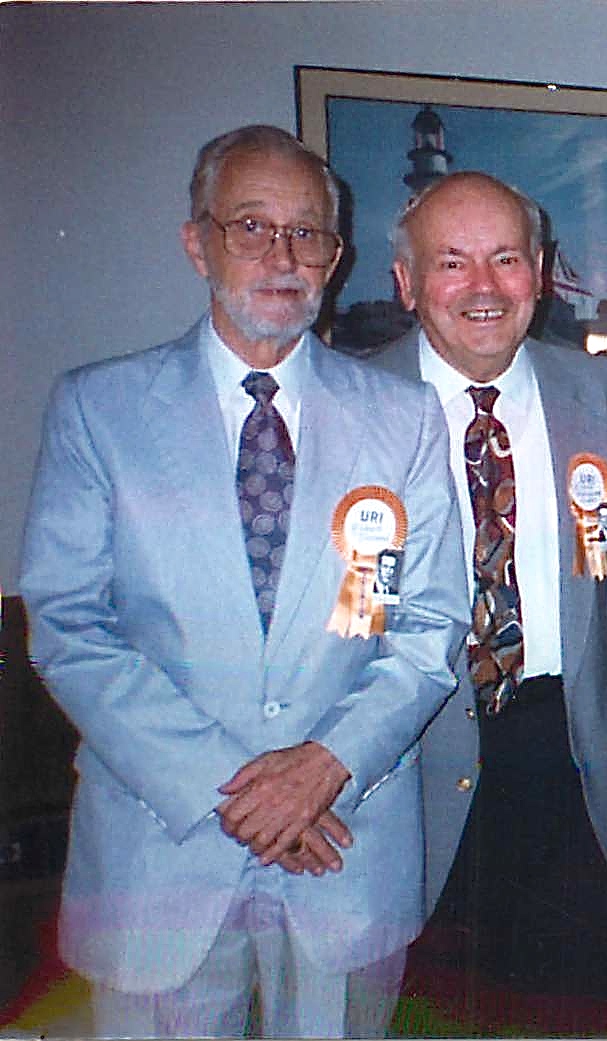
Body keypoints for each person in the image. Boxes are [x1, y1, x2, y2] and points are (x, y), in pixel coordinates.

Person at [19, 124, 467, 1038]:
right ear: (198, 241)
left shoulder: (406, 419)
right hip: (161, 849)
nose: (283, 255)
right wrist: (242, 790)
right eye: (252, 226)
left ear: (336, 258)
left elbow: (428, 624)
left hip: (345, 843)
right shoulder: (98, 411)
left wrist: (322, 770)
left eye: (308, 234)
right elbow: (68, 624)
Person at [371, 171, 607, 1035]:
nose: (484, 287)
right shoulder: (352, 402)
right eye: (452, 262)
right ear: (406, 283)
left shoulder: (600, 392)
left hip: (564, 753)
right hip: (407, 753)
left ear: (539, 270)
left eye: (506, 259)